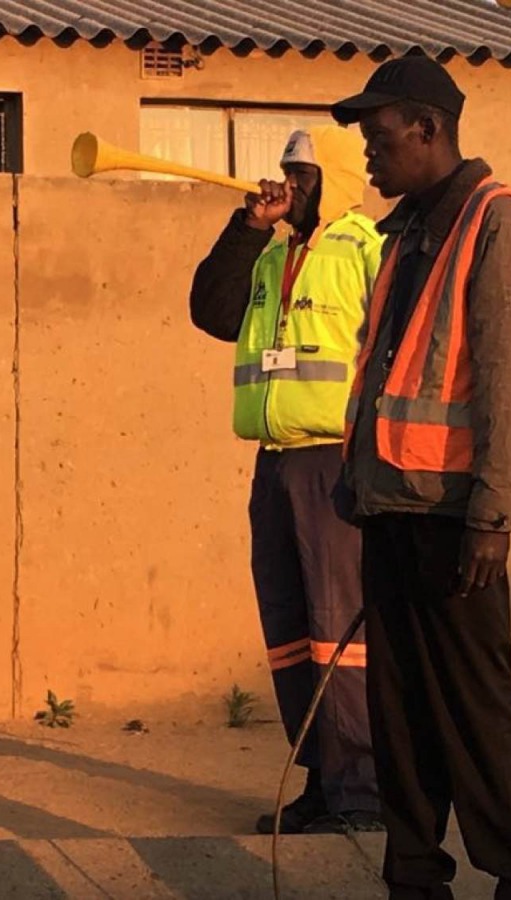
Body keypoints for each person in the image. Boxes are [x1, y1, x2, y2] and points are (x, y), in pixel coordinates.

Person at [331, 57, 511, 899]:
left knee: (474, 716)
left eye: (379, 136)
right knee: (400, 721)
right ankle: (414, 880)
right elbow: (385, 373)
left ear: (427, 128)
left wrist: (493, 517)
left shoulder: (496, 222)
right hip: (393, 509)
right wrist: (357, 483)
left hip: (459, 520)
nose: (369, 154)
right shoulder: (404, 232)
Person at [190, 126, 383, 834]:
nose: (287, 185)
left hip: (335, 460)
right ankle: (321, 778)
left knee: (341, 631)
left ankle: (362, 790)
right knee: (292, 630)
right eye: (284, 173)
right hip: (273, 462)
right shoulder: (272, 258)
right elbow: (211, 310)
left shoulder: (367, 247)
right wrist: (247, 228)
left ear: (329, 177)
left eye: (301, 175)